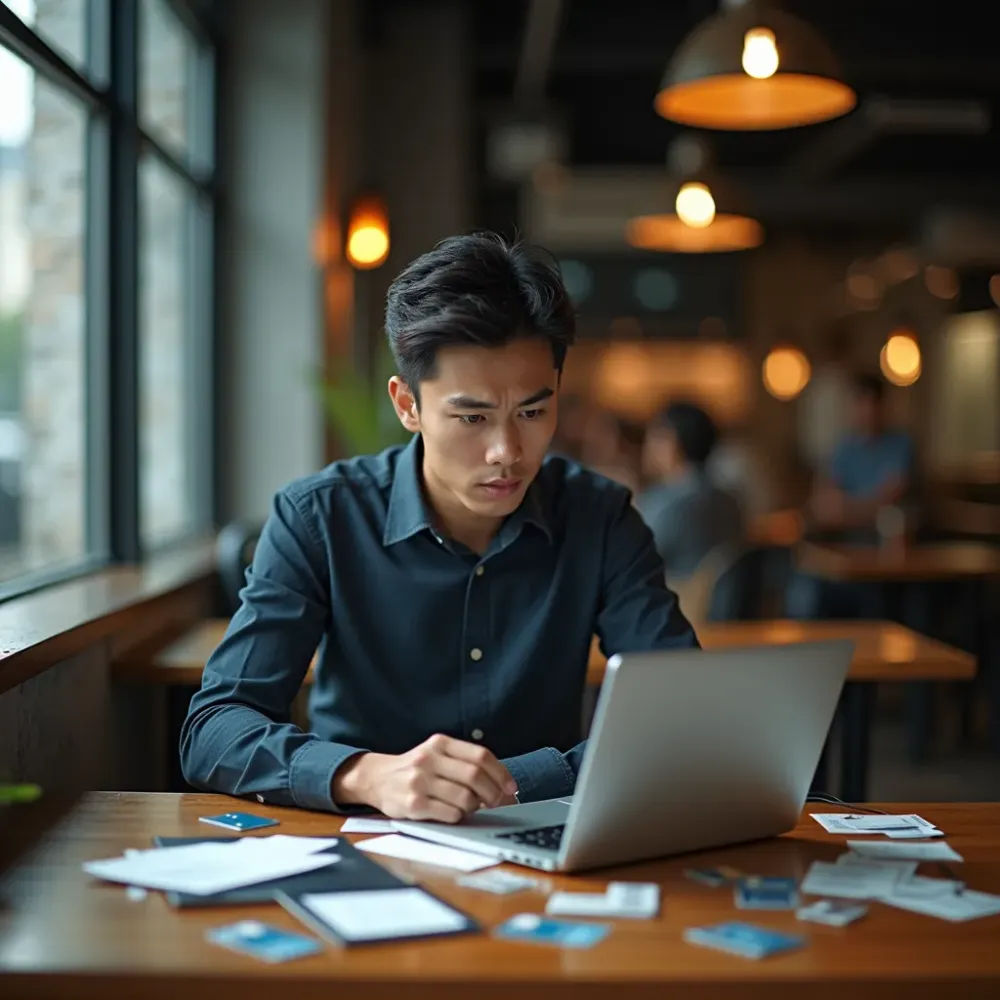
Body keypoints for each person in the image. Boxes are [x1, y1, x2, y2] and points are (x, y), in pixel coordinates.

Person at [181, 233, 697, 822]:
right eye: (472, 416)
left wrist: (514, 783)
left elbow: (681, 716)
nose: (507, 451)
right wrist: (366, 774)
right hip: (365, 836)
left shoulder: (599, 517)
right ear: (408, 405)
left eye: (532, 411)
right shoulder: (319, 518)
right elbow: (214, 729)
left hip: (541, 837)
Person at [786, 373, 915, 619]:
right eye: (860, 403)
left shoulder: (901, 445)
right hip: (843, 549)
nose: (867, 411)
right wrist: (869, 506)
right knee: (804, 582)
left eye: (872, 403)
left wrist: (848, 508)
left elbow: (893, 498)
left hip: (885, 550)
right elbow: (824, 504)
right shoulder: (843, 448)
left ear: (883, 405)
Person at [637, 402, 744, 578]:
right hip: (723, 603)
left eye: (654, 437)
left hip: (676, 600)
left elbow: (633, 561)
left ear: (672, 443)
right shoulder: (731, 500)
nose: (647, 446)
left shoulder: (666, 503)